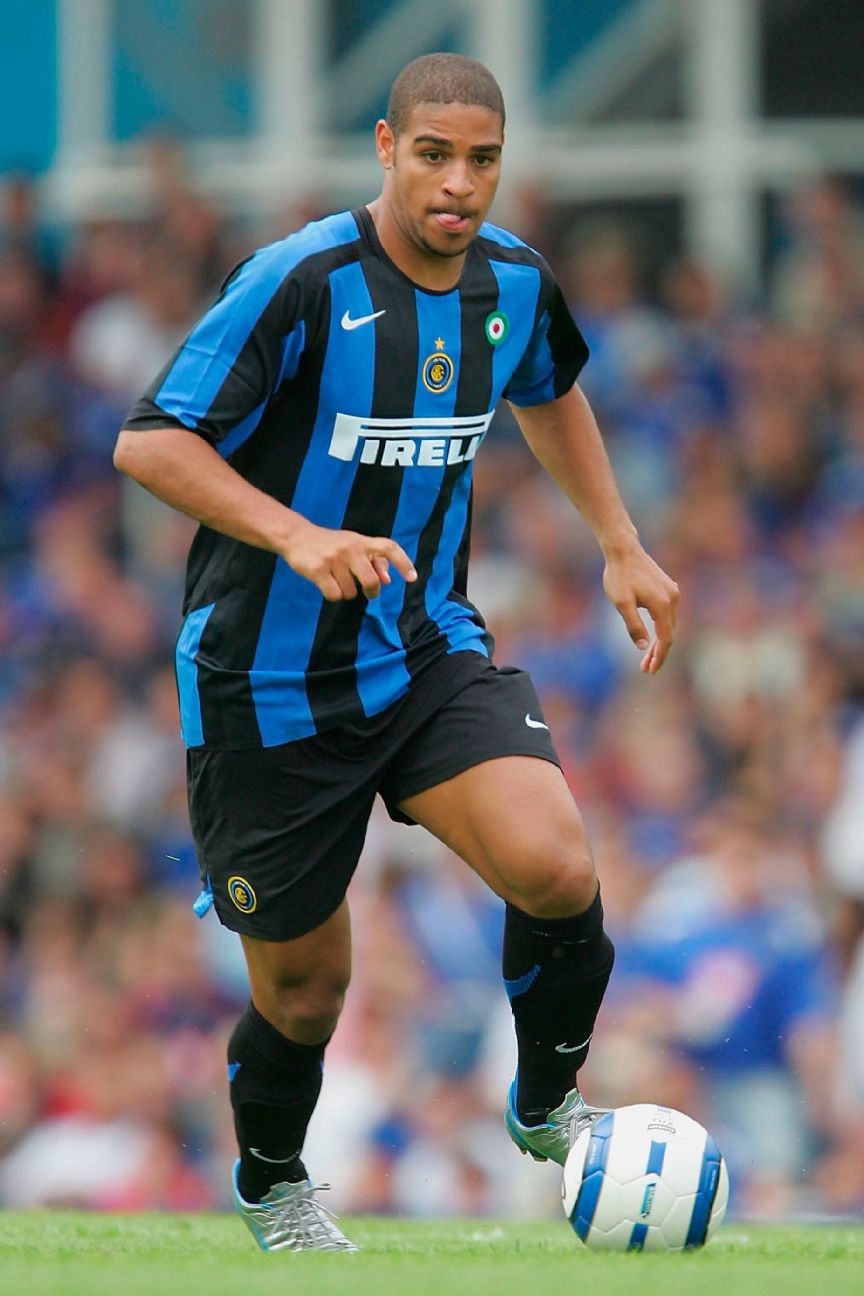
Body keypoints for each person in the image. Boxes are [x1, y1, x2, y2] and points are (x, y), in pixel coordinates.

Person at [114, 52, 678, 1252]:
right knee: (308, 993)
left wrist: (620, 544)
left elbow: (554, 387)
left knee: (557, 865)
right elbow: (151, 443)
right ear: (386, 148)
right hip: (264, 687)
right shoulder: (300, 279)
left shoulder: (514, 283)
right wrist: (297, 533)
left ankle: (545, 1111)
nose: (459, 183)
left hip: (418, 648)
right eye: (435, 154)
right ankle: (272, 1184)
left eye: (482, 160)